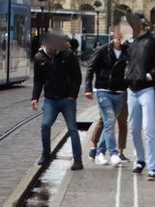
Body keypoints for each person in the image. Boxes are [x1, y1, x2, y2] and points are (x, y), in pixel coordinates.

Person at [124, 12, 155, 181]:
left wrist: (152, 75)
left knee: (149, 129)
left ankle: (153, 167)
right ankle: (140, 159)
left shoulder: (154, 40)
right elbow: (129, 62)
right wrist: (127, 75)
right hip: (132, 89)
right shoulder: (133, 42)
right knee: (134, 128)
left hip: (147, 89)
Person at [30, 32, 84, 169]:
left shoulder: (68, 55)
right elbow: (38, 80)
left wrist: (73, 95)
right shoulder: (39, 57)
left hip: (67, 99)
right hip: (50, 99)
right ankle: (46, 154)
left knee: (72, 129)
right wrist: (35, 98)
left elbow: (77, 76)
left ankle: (78, 160)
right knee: (45, 125)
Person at [85, 27, 127, 165]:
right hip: (103, 89)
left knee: (110, 123)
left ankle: (100, 152)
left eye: (122, 38)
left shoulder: (128, 51)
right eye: (117, 37)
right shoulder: (103, 50)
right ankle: (113, 153)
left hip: (119, 91)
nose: (119, 40)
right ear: (112, 37)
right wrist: (88, 88)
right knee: (109, 121)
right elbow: (90, 67)